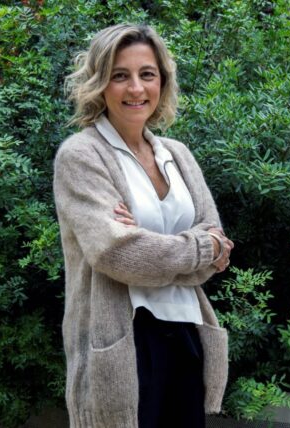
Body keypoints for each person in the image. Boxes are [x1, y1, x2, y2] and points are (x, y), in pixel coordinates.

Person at [53, 23, 234, 428]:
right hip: (126, 344)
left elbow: (218, 249)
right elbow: (118, 254)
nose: (136, 88)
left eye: (147, 74)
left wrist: (152, 242)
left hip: (186, 334)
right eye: (120, 75)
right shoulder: (81, 156)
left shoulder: (178, 155)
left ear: (162, 81)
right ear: (100, 83)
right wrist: (199, 246)